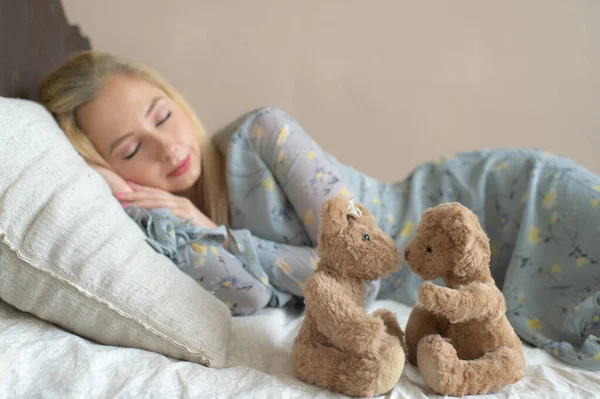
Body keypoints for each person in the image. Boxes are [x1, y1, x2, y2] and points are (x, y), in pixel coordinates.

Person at [39, 51, 599, 370]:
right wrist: (163, 217)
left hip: (505, 202)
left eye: (161, 116)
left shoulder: (263, 134)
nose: (166, 148)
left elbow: (366, 269)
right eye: (130, 150)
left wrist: (229, 238)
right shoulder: (180, 233)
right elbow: (250, 297)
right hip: (449, 271)